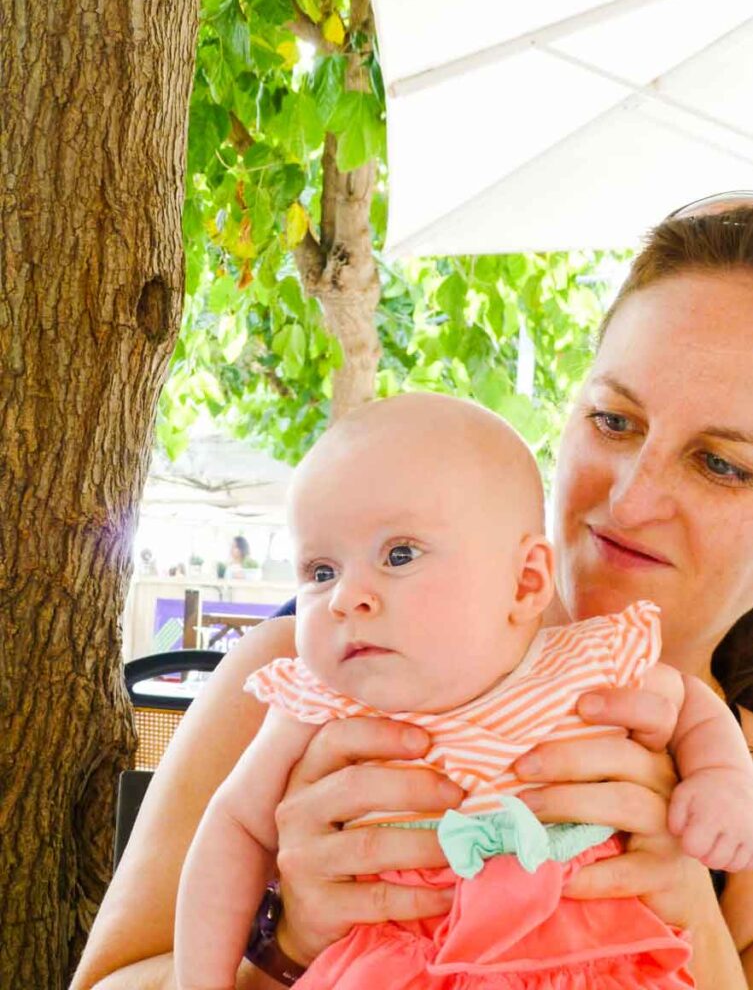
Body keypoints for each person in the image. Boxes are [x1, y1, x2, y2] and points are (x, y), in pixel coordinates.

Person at [71, 197, 753, 990]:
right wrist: (289, 948)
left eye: (722, 464)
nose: (630, 500)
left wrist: (685, 910)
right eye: (612, 420)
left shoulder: (728, 763)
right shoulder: (304, 673)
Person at [173, 394, 752, 990]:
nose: (346, 597)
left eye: (399, 555)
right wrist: (242, 965)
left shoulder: (581, 666)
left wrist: (723, 781)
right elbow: (235, 827)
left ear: (526, 580)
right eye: (321, 571)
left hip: (585, 962)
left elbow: (688, 706)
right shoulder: (322, 702)